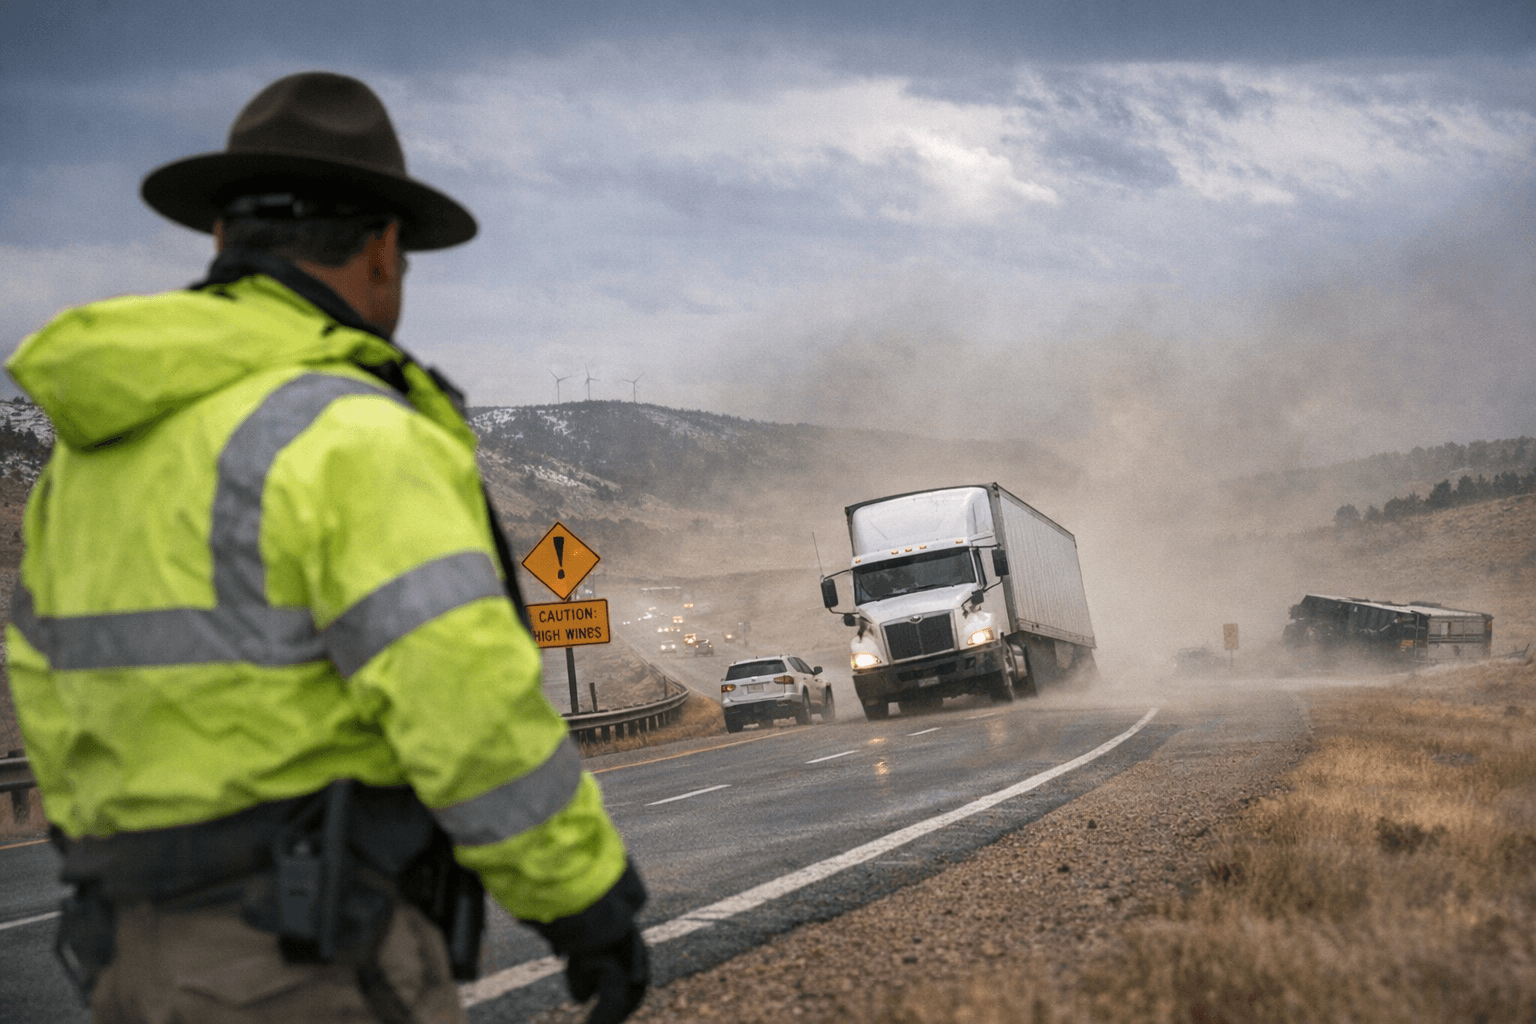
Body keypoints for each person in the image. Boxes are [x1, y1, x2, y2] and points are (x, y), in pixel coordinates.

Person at [5, 72, 648, 1024]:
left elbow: (42, 685)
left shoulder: (91, 454)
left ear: (222, 239)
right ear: (384, 250)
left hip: (124, 957)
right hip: (307, 957)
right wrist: (586, 902)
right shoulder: (350, 434)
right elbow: (465, 709)